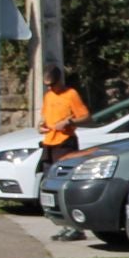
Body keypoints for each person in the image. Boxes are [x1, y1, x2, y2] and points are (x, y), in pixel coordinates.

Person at [38, 66, 88, 239]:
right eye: (47, 86)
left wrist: (68, 121)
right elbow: (45, 117)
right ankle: (63, 224)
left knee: (65, 185)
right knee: (50, 186)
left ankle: (76, 228)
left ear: (59, 81)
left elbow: (85, 116)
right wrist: (41, 126)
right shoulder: (48, 96)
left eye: (52, 85)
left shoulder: (71, 94)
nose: (50, 88)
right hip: (49, 143)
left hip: (65, 144)